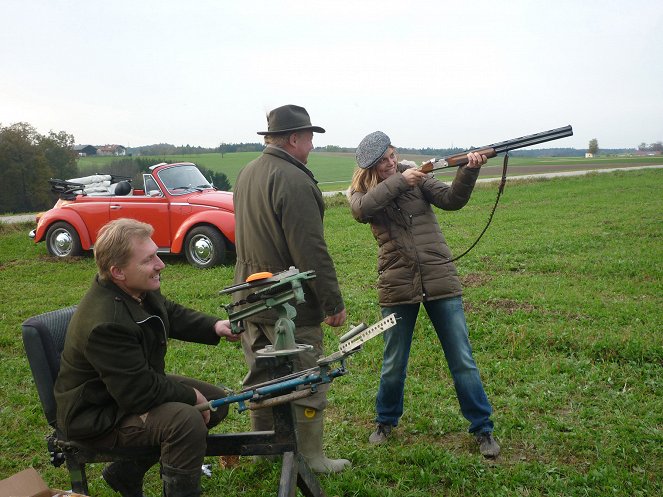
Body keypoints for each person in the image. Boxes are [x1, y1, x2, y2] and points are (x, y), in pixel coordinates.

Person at [54, 218, 240, 497]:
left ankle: (125, 473)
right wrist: (191, 396)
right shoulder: (107, 323)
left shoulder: (134, 289)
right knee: (186, 421)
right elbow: (139, 394)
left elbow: (168, 311)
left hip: (121, 391)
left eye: (156, 254)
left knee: (216, 402)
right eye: (149, 259)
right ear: (118, 271)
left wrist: (214, 326)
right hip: (97, 415)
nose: (160, 264)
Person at [347, 131, 500, 458]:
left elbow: (452, 200)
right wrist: (401, 180)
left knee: (462, 359)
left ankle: (482, 428)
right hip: (397, 285)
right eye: (384, 161)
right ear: (372, 167)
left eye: (393, 156)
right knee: (393, 362)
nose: (391, 163)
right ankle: (385, 421)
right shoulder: (362, 192)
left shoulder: (418, 177)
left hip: (439, 277)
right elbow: (362, 210)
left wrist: (469, 169)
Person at [232, 104, 350, 473]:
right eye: (310, 137)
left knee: (262, 377)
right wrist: (332, 302)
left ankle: (267, 451)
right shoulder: (295, 180)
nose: (313, 145)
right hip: (288, 302)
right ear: (295, 138)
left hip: (249, 296)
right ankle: (310, 457)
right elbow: (311, 250)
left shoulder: (247, 173)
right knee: (308, 378)